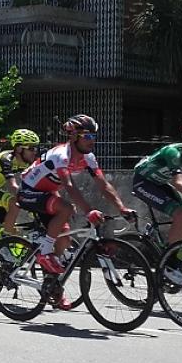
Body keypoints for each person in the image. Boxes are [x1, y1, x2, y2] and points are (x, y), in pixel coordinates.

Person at [19, 114, 135, 290]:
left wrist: (122, 207)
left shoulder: (88, 158)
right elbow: (70, 187)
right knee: (66, 208)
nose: (92, 141)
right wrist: (89, 211)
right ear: (73, 136)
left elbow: (104, 185)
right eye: (87, 136)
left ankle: (52, 288)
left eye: (94, 137)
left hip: (48, 192)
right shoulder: (61, 155)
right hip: (29, 191)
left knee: (64, 240)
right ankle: (44, 252)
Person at [131, 123, 182, 284]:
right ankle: (168, 260)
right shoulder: (174, 153)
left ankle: (170, 253)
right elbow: (178, 183)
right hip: (143, 183)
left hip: (160, 183)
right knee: (181, 214)